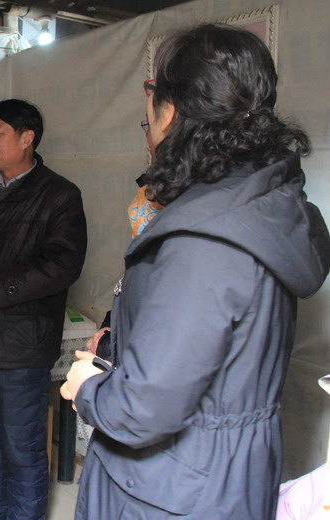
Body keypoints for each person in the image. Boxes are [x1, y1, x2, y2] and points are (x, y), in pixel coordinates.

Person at [61, 24, 330, 520]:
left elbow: (144, 409)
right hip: (228, 472)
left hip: (169, 490)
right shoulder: (268, 205)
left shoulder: (204, 238)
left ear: (172, 110)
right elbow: (217, 347)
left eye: (152, 92)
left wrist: (87, 388)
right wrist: (121, 343)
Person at [0, 98, 87, 520]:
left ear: (27, 138)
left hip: (21, 345)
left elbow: (62, 265)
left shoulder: (59, 195)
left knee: (21, 446)